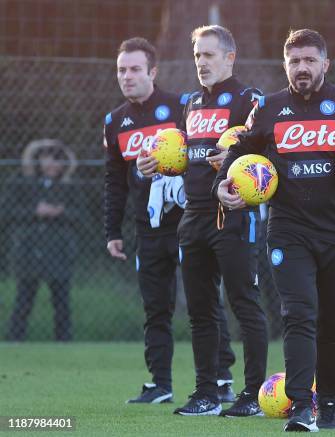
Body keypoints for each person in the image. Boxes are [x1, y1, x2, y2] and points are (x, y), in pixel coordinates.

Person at [214, 29, 335, 432]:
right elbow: (240, 149)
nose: (301, 68)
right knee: (298, 313)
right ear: (285, 65)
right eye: (294, 61)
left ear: (325, 64)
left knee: (333, 321)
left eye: (309, 60)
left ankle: (331, 403)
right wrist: (225, 184)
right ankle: (302, 406)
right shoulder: (268, 108)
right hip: (288, 231)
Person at [137, 25, 268, 417]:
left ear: (230, 57)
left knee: (244, 305)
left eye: (209, 55)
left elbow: (265, 151)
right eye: (197, 56)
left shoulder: (250, 99)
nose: (201, 63)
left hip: (233, 215)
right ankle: (206, 393)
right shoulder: (191, 102)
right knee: (200, 310)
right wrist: (153, 164)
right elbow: (178, 153)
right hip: (192, 217)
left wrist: (235, 164)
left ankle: (254, 396)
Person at [104, 37, 237, 405]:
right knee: (155, 307)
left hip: (188, 221)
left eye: (134, 69)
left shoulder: (182, 106)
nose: (127, 77)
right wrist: (112, 231)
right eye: (121, 70)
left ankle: (223, 377)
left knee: (206, 301)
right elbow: (114, 181)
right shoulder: (115, 122)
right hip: (148, 230)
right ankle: (160, 383)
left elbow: (205, 155)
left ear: (152, 72)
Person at [6, 139, 80, 342]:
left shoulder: (69, 187)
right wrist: (35, 211)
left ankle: (64, 341)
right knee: (24, 299)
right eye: (48, 159)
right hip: (29, 251)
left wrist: (60, 212)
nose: (53, 165)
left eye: (58, 160)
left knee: (61, 301)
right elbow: (8, 212)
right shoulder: (21, 183)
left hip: (59, 252)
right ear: (38, 160)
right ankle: (15, 340)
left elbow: (82, 216)